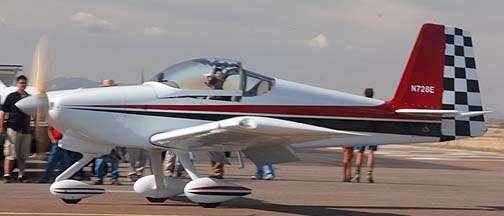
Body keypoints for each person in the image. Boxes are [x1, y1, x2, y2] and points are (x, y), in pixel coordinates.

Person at [1, 75, 32, 183]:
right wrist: (1, 127)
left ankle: (21, 175)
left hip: (25, 130)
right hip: (13, 128)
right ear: (17, 84)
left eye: (24, 83)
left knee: (22, 155)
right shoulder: (11, 96)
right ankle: (7, 174)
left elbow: (31, 114)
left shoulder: (29, 97)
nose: (22, 85)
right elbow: (3, 112)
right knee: (10, 154)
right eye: (21, 83)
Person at [204, 68, 232, 179]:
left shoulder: (223, 96)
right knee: (212, 149)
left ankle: (217, 173)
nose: (209, 81)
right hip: (210, 126)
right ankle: (216, 171)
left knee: (217, 149)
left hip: (219, 127)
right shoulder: (210, 94)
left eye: (212, 79)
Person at [353, 88, 378, 183]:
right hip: (373, 131)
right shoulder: (376, 105)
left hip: (362, 130)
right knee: (371, 152)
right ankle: (369, 173)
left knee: (360, 152)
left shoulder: (361, 105)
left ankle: (357, 174)